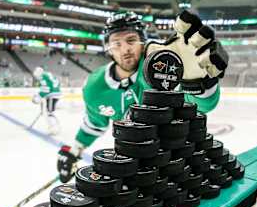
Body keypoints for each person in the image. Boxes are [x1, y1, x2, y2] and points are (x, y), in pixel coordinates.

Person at [57, 10, 229, 183]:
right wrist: (74, 152)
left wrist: (194, 81)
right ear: (108, 48)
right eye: (116, 43)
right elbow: (94, 123)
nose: (125, 49)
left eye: (131, 40)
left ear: (143, 42)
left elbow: (203, 106)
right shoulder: (94, 87)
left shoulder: (162, 70)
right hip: (133, 165)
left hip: (176, 164)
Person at [33, 67, 62, 135]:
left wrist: (38, 96)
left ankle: (54, 129)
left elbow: (46, 89)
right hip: (55, 94)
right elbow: (54, 84)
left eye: (36, 76)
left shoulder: (43, 77)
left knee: (50, 113)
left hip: (52, 95)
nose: (37, 77)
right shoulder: (48, 75)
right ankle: (52, 127)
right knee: (49, 112)